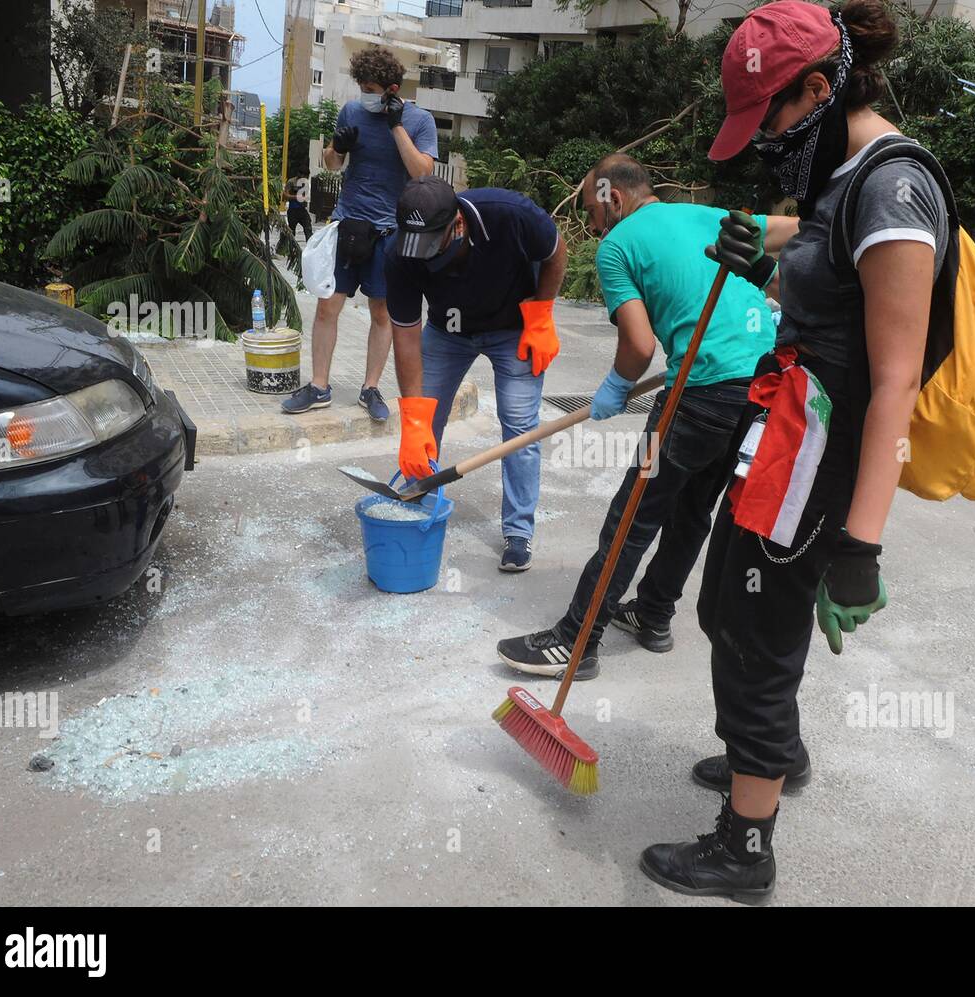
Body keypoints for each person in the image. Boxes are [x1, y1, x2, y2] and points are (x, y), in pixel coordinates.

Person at [640, 0, 952, 904]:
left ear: (819, 89)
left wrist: (861, 544)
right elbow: (824, 261)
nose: (765, 143)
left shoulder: (893, 190)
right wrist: (763, 248)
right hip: (787, 425)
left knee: (753, 629)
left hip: (826, 451)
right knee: (726, 608)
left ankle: (745, 847)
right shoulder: (839, 170)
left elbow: (895, 378)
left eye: (768, 118)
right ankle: (774, 751)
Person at [495, 155, 776, 682]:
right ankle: (653, 613)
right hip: (760, 392)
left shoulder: (617, 246)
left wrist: (617, 386)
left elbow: (640, 345)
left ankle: (577, 640)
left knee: (632, 516)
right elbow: (790, 243)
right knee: (694, 510)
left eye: (591, 213)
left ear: (613, 198)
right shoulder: (705, 216)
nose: (590, 225)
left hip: (701, 392)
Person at [385, 176, 567, 572]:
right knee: (424, 422)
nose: (424, 258)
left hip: (513, 327)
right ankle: (415, 496)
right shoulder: (399, 253)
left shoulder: (510, 215)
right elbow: (405, 337)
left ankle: (518, 532)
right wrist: (414, 419)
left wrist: (541, 315)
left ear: (458, 225)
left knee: (520, 426)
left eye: (433, 245)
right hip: (446, 334)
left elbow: (555, 253)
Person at [282, 47, 437, 423]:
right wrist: (339, 148)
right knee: (326, 306)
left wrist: (396, 126)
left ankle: (370, 388)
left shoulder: (419, 120)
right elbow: (331, 164)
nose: (364, 94)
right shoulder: (352, 112)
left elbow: (422, 172)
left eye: (370, 88)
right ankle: (319, 386)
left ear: (392, 89)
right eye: (361, 86)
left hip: (390, 232)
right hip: (348, 225)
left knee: (381, 312)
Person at [284, 170, 313, 243]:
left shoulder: (305, 183)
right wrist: (296, 197)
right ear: (299, 174)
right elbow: (285, 195)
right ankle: (291, 248)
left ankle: (310, 246)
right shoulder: (291, 182)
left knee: (308, 228)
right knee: (291, 230)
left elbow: (305, 197)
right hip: (292, 210)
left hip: (302, 209)